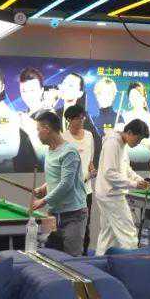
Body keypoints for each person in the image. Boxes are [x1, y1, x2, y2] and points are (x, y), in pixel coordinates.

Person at [30, 111, 88, 256]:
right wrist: (44, 188)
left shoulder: (69, 152)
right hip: (53, 214)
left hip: (73, 215)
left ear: (47, 129)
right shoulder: (49, 150)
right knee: (49, 257)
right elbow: (56, 178)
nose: (37, 134)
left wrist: (44, 200)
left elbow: (66, 184)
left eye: (38, 130)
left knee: (71, 259)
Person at [93, 119, 150, 255]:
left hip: (107, 194)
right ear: (129, 132)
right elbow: (110, 173)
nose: (138, 143)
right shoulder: (113, 143)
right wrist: (134, 184)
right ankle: (132, 264)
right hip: (111, 195)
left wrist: (139, 180)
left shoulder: (122, 144)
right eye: (138, 139)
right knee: (129, 234)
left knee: (108, 234)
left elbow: (125, 169)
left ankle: (99, 261)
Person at [62, 105, 97, 245]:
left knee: (86, 225)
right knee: (69, 226)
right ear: (69, 120)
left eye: (82, 118)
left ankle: (84, 254)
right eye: (78, 118)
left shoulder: (89, 136)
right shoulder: (63, 138)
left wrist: (92, 171)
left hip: (86, 191)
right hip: (70, 191)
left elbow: (90, 160)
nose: (81, 121)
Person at [15, 68, 49, 172]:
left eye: (32, 90)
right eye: (23, 91)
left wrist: (31, 130)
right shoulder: (22, 115)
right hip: (16, 175)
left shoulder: (49, 117)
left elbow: (48, 158)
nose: (28, 95)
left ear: (41, 90)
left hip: (37, 177)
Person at [118, 82, 150, 165]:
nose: (134, 99)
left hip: (144, 158)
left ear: (143, 97)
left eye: (137, 95)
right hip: (124, 160)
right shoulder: (124, 116)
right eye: (132, 96)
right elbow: (120, 140)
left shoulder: (149, 118)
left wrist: (135, 140)